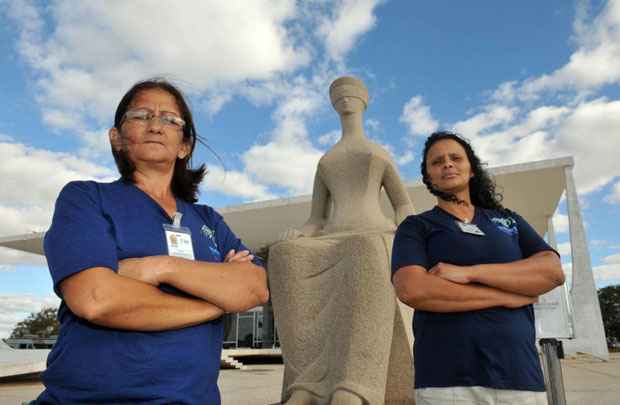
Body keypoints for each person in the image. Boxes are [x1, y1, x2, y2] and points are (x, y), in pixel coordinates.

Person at [34, 78, 269, 404]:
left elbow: (254, 288)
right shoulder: (87, 199)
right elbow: (96, 298)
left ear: (184, 145)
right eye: (141, 115)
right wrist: (215, 304)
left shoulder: (208, 221)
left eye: (171, 120)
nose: (156, 125)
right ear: (117, 138)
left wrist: (159, 268)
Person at [269, 76, 415, 405]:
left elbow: (404, 205)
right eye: (339, 96)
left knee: (364, 249)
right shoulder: (326, 161)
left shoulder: (377, 154)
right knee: (284, 255)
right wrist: (300, 234)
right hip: (333, 235)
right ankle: (306, 383)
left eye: (351, 95)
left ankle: (354, 387)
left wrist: (404, 228)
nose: (345, 100)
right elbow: (316, 218)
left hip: (374, 234)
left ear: (363, 101)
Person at [391, 131, 565, 405]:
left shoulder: (508, 221)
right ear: (428, 177)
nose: (447, 164)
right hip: (446, 383)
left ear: (471, 169)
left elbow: (552, 272)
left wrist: (470, 272)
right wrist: (508, 296)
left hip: (520, 378)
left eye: (455, 158)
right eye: (436, 162)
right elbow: (413, 288)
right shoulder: (416, 227)